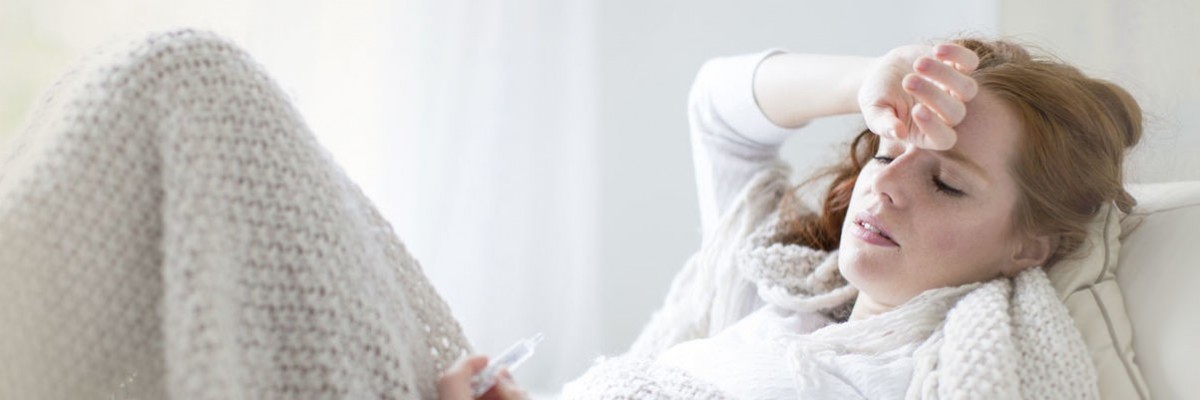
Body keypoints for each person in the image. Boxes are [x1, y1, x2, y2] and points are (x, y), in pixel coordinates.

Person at [439, 38, 1140, 398]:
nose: (884, 184)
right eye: (886, 149)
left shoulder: (942, 377)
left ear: (1028, 248)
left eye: (946, 183)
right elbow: (718, 107)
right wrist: (868, 78)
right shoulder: (777, 286)